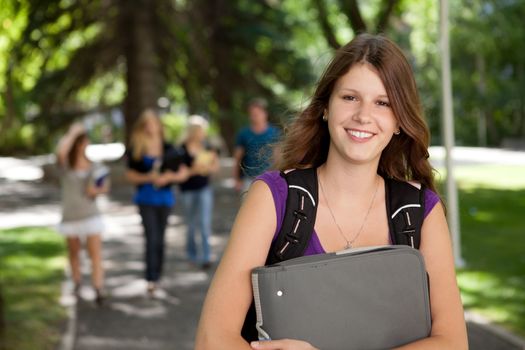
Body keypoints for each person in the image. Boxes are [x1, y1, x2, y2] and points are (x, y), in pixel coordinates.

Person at [195, 34, 468, 349]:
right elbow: (212, 339)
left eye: (383, 102)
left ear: (398, 120)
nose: (363, 115)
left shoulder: (420, 212)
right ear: (325, 107)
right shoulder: (273, 198)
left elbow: (452, 342)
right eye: (350, 97)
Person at [125, 109, 189, 295]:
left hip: (165, 199)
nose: (150, 127)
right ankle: (151, 278)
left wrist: (169, 177)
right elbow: (130, 175)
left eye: (153, 123)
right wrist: (149, 178)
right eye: (146, 124)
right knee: (151, 238)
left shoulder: (169, 148)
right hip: (146, 199)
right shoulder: (136, 149)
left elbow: (183, 173)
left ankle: (158, 275)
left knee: (160, 240)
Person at [56, 123, 109, 306]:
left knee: (95, 253)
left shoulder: (95, 166)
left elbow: (105, 186)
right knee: (74, 252)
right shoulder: (66, 166)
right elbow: (61, 152)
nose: (83, 144)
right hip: (71, 216)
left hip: (91, 215)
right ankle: (77, 282)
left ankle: (98, 287)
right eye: (80, 141)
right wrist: (73, 132)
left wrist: (95, 190)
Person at [178, 115, 220, 269]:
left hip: (204, 188)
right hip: (187, 190)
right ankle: (191, 254)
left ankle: (206, 256)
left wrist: (208, 167)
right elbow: (180, 173)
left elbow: (215, 167)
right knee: (190, 224)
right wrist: (194, 169)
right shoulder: (181, 149)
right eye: (201, 130)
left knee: (204, 222)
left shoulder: (207, 147)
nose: (204, 133)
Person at [233, 98, 281, 193]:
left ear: (265, 113)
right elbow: (237, 158)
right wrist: (236, 179)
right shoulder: (243, 133)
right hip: (249, 179)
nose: (255, 116)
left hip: (270, 178)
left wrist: (279, 178)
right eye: (252, 113)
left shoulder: (274, 132)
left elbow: (278, 157)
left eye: (257, 113)